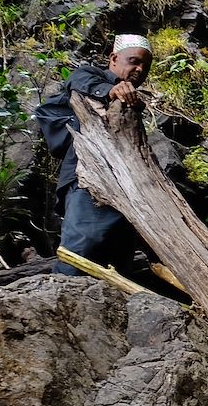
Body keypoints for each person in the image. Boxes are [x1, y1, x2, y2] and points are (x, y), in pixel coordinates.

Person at [34, 34, 153, 275]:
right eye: (133, 61)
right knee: (81, 248)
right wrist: (111, 91)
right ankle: (58, 304)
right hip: (88, 181)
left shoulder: (131, 101)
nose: (139, 69)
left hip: (126, 188)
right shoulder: (90, 77)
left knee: (118, 258)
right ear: (113, 59)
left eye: (144, 65)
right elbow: (78, 80)